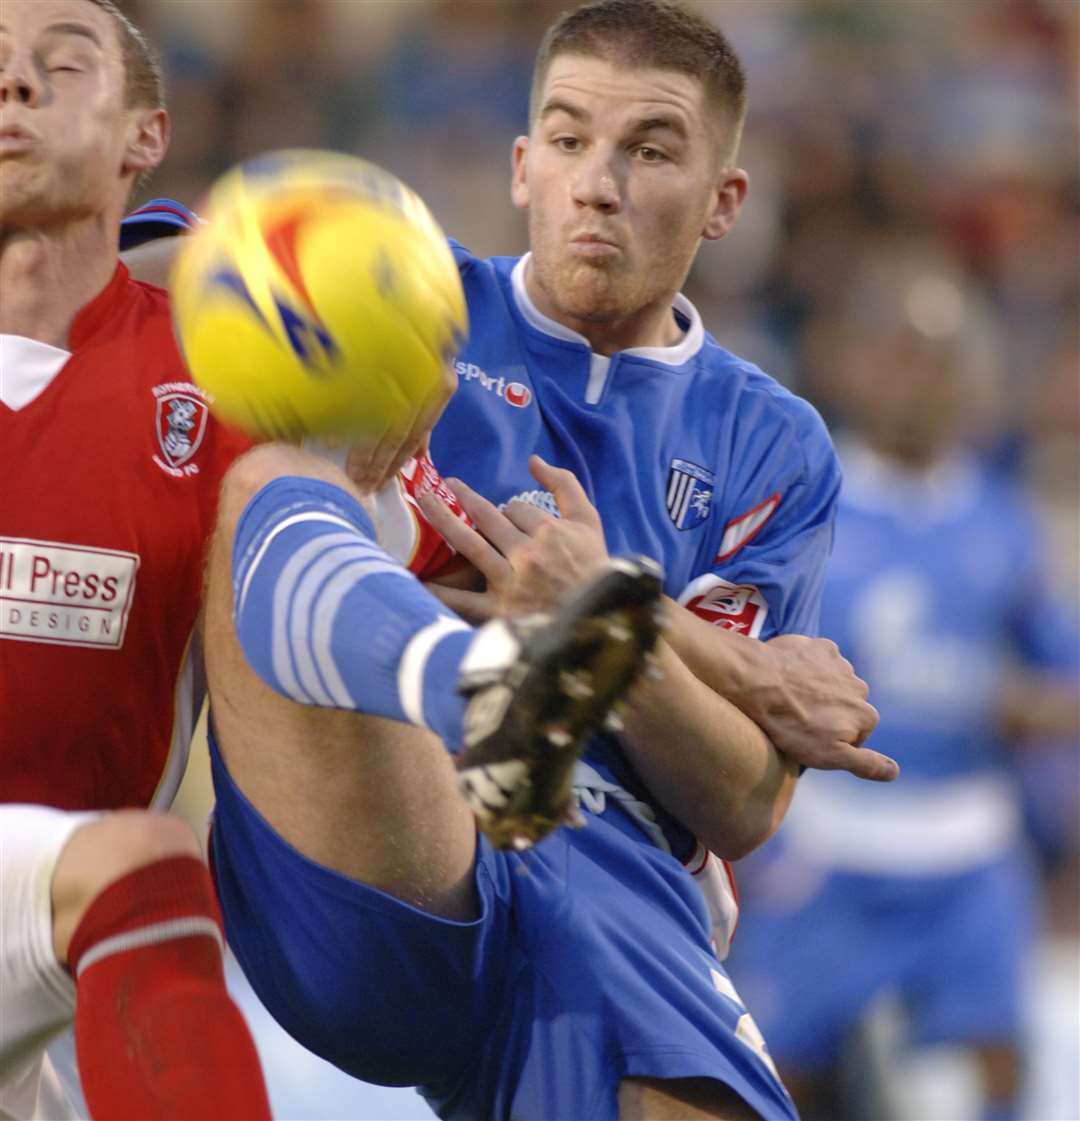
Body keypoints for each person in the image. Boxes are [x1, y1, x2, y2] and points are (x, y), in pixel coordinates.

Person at [125, 2, 887, 1118]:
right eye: (570, 140)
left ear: (725, 201)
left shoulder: (772, 441)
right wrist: (348, 328)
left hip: (608, 884)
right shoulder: (400, 302)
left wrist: (598, 615)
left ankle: (520, 698)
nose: (599, 181)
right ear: (523, 166)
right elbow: (160, 265)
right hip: (375, 840)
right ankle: (484, 694)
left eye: (652, 149)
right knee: (269, 478)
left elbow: (739, 799)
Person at [724, 257, 1080, 1121]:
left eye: (943, 356)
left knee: (998, 1074)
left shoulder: (1004, 523)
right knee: (773, 1082)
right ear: (852, 363)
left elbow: (1062, 677)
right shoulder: (807, 511)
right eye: (899, 351)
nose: (921, 378)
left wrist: (1026, 705)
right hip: (829, 845)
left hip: (967, 842)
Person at [0, 2, 275, 1117]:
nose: (12, 85)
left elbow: (467, 571)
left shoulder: (225, 381)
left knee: (136, 869)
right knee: (142, 867)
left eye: (58, 67)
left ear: (145, 137)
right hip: (81, 908)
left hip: (44, 974)